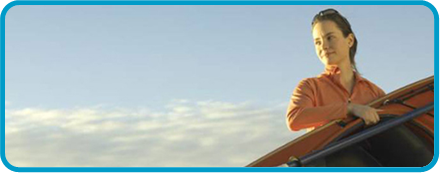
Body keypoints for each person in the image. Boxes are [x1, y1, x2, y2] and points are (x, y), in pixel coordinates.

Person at [286, 9, 386, 132]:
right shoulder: (310, 87)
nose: (323, 46)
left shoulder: (374, 93)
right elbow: (294, 119)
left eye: (330, 37)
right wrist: (349, 109)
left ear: (349, 40)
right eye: (317, 42)